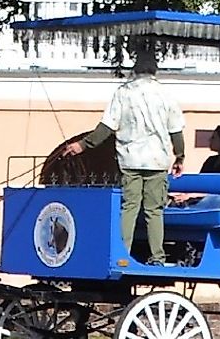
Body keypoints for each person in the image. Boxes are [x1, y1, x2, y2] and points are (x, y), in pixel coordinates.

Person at [55, 64, 185, 261]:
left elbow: (107, 125)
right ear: (155, 70)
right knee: (154, 211)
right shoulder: (166, 94)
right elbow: (176, 130)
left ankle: (122, 253)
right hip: (157, 161)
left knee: (129, 208)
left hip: (130, 159)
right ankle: (157, 256)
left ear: (135, 69)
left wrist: (83, 144)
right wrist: (180, 156)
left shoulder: (123, 92)